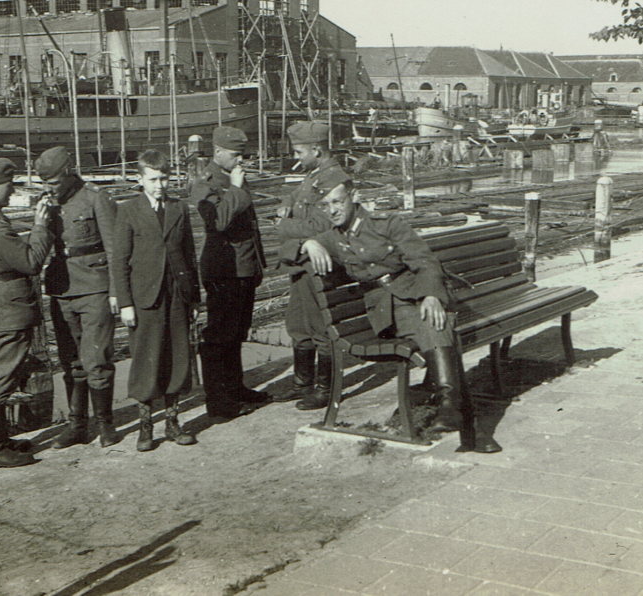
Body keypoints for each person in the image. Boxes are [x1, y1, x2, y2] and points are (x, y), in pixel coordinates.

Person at [303, 168, 472, 437]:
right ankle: (451, 405)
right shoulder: (332, 238)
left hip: (413, 290)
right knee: (433, 321)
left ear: (353, 196)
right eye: (325, 205)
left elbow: (424, 260)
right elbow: (289, 249)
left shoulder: (386, 223)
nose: (332, 210)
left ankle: (449, 403)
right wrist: (309, 244)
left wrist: (431, 295)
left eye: (337, 201)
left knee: (435, 314)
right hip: (386, 308)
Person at [0, 158, 53, 470]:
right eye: (8, 186)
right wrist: (41, 226)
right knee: (1, 377)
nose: (12, 191)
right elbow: (31, 263)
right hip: (8, 313)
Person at [111, 150, 201, 451]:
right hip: (145, 298)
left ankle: (173, 422)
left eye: (164, 178)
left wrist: (194, 298)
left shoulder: (179, 208)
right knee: (146, 360)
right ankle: (145, 426)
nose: (160, 185)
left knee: (177, 357)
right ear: (140, 179)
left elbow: (189, 255)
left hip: (176, 295)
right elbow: (119, 261)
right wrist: (125, 303)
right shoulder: (128, 210)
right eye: (153, 179)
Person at [34, 146, 120, 449]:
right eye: (45, 183)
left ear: (70, 173)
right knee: (71, 361)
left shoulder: (97, 198)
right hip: (62, 289)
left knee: (97, 359)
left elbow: (115, 249)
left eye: (54, 183)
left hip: (95, 286)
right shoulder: (47, 203)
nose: (49, 189)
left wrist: (117, 292)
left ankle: (105, 425)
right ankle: (76, 426)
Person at [191, 125, 270, 422]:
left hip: (244, 268)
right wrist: (236, 189)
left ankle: (235, 388)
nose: (241, 160)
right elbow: (218, 222)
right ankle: (218, 402)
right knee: (218, 336)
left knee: (237, 332)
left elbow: (250, 225)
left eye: (242, 155)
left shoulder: (233, 177)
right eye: (236, 155)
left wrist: (258, 266)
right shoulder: (206, 184)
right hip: (224, 271)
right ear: (218, 152)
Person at [274, 121, 343, 410]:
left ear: (316, 150)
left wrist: (283, 225)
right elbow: (297, 196)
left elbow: (319, 225)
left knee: (320, 326)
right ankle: (302, 383)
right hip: (302, 263)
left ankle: (326, 389)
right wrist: (285, 204)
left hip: (319, 265)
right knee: (298, 323)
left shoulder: (333, 180)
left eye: (299, 152)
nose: (296, 157)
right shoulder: (315, 174)